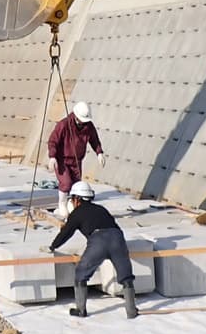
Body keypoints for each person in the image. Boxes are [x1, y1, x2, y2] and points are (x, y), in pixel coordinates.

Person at [49, 181, 139, 320]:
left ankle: (80, 309)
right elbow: (114, 226)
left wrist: (53, 246)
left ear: (77, 199)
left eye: (72, 199)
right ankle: (131, 311)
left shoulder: (77, 213)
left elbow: (66, 233)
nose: (72, 202)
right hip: (117, 237)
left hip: (98, 241)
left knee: (81, 273)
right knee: (126, 276)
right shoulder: (101, 209)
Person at [47, 100, 104, 218]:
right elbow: (53, 141)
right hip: (63, 160)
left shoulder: (88, 126)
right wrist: (52, 157)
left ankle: (73, 206)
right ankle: (62, 203)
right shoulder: (63, 125)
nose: (84, 123)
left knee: (77, 186)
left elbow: (94, 140)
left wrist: (99, 153)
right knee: (66, 183)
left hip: (77, 161)